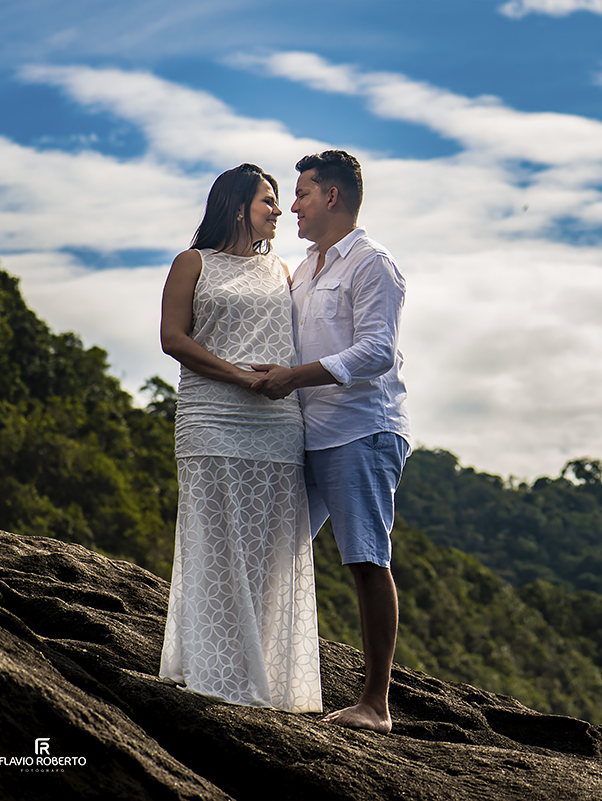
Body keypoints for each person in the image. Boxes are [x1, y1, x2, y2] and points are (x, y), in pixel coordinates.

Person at [250, 150, 409, 734]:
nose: (293, 205)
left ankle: (376, 705)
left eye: (302, 194)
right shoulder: (305, 268)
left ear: (332, 197)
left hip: (361, 429)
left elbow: (376, 353)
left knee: (366, 558)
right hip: (306, 431)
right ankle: (258, 674)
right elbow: (292, 347)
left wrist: (293, 376)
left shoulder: (372, 264)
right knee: (274, 548)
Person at [158, 163, 322, 714]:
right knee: (215, 544)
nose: (279, 210)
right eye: (268, 200)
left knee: (268, 552)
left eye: (280, 201)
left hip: (277, 424)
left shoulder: (284, 271)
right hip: (211, 418)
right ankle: (214, 672)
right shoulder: (192, 263)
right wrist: (239, 376)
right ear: (236, 206)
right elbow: (173, 338)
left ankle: (264, 679)